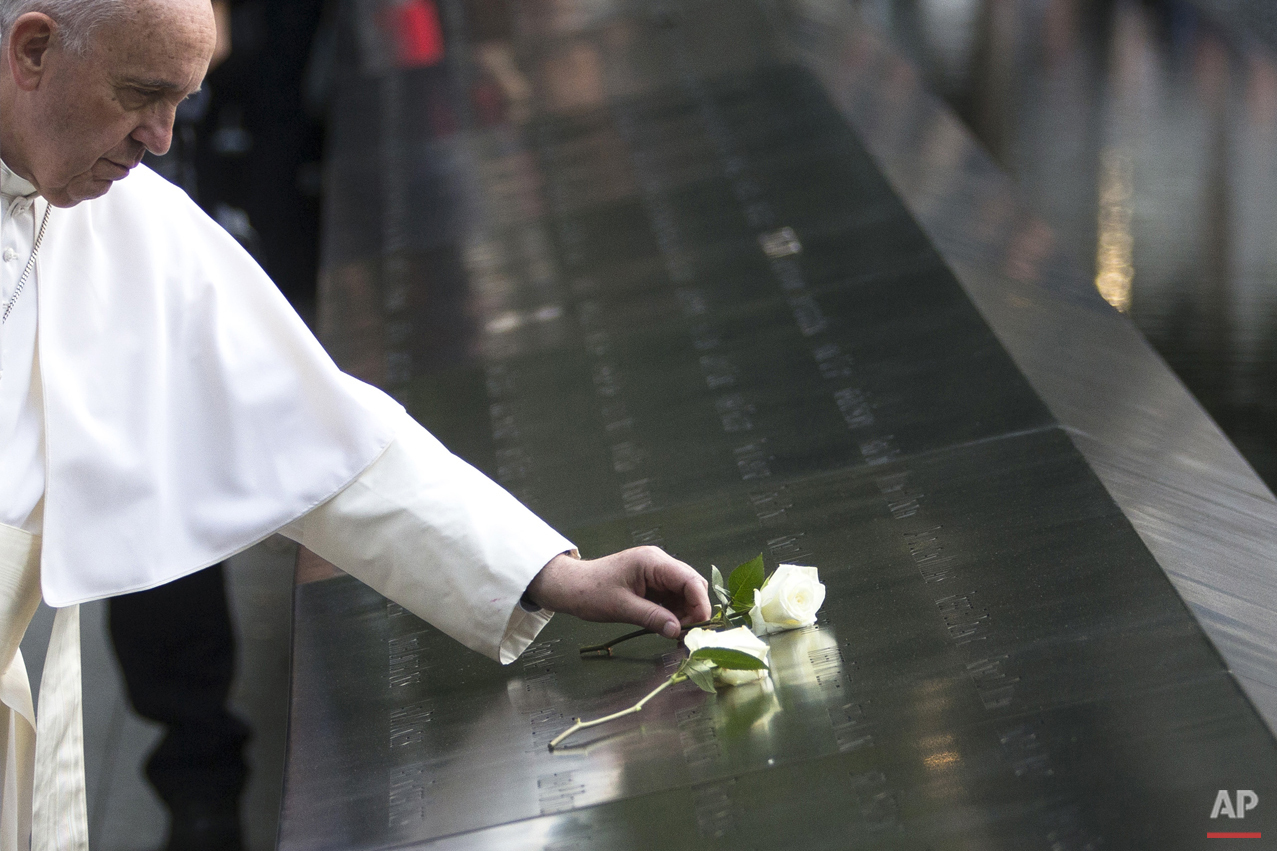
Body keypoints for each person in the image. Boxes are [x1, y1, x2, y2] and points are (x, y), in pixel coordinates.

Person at [0, 2, 711, 850]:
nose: (160, 138)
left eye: (181, 101)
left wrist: (548, 572)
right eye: (140, 94)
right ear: (33, 49)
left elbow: (311, 427)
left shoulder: (115, 212)